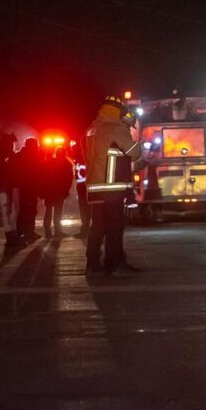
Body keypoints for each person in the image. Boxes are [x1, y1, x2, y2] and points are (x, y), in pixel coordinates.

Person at [85, 95, 145, 276]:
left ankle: (93, 265)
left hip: (95, 188)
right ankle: (116, 264)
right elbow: (134, 154)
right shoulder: (116, 129)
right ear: (118, 111)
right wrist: (134, 137)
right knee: (115, 227)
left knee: (97, 227)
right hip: (112, 189)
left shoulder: (92, 130)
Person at [0, 132, 21, 248]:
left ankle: (12, 234)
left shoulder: (8, 154)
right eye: (11, 143)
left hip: (10, 186)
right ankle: (10, 236)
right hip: (5, 187)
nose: (13, 145)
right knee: (7, 211)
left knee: (12, 211)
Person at [15, 137, 44, 242]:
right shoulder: (22, 156)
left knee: (31, 211)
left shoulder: (33, 156)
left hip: (31, 188)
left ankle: (29, 231)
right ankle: (22, 232)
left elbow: (39, 173)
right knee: (24, 211)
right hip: (24, 188)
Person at [43, 145, 74, 238]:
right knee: (57, 211)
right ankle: (57, 231)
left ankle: (48, 232)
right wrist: (66, 190)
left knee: (49, 210)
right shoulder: (67, 164)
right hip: (59, 191)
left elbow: (44, 177)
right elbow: (69, 179)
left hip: (50, 191)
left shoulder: (49, 162)